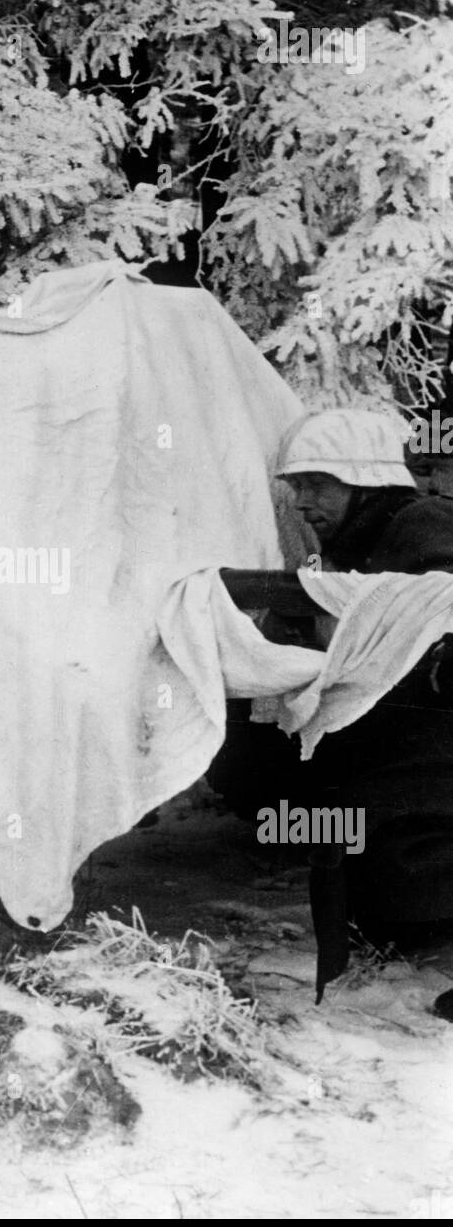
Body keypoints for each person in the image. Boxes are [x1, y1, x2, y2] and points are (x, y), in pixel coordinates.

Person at [214, 408, 453, 1003]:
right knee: (255, 766)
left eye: (318, 484)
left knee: (392, 843)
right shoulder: (359, 543)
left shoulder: (425, 522)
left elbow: (432, 601)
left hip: (438, 737)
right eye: (297, 486)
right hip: (407, 735)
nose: (302, 502)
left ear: (367, 482)